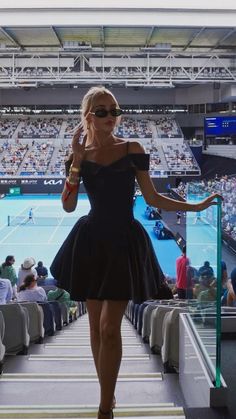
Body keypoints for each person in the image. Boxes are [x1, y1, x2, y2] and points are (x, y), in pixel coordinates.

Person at [50, 86, 221, 419]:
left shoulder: (132, 148)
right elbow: (68, 206)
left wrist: (195, 205)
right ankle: (107, 396)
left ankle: (104, 407)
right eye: (102, 112)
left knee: (109, 327)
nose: (111, 117)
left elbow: (153, 198)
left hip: (123, 242)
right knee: (95, 329)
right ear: (88, 116)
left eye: (115, 110)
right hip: (91, 240)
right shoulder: (78, 156)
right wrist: (77, 164)